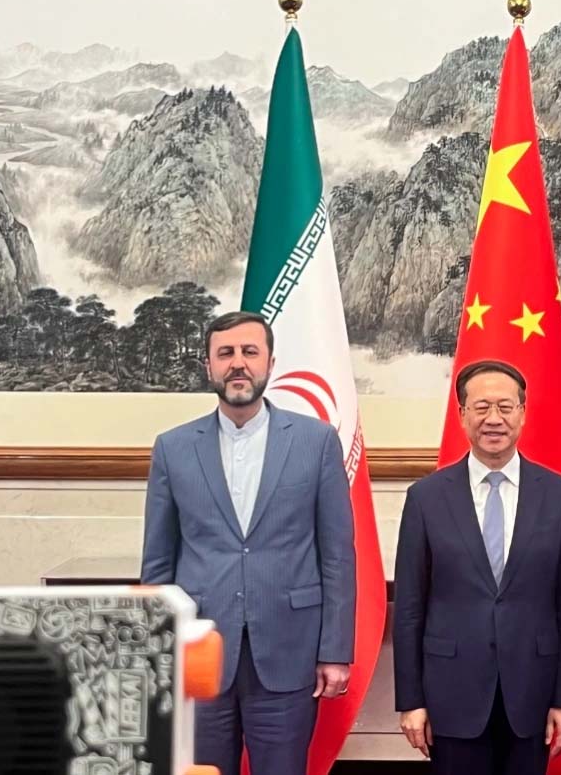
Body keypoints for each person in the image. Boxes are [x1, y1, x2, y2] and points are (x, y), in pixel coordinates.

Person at [141, 310, 356, 775]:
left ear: (270, 363)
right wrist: (157, 648)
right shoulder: (173, 448)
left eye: (249, 352)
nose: (238, 363)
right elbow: (157, 561)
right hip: (199, 652)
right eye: (225, 353)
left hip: (289, 652)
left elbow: (337, 556)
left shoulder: (317, 442)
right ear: (209, 366)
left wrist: (335, 651)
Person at [393, 359, 561, 775]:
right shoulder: (426, 498)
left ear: (523, 413)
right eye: (481, 407)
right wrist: (410, 701)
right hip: (450, 694)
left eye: (505, 407)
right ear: (462, 415)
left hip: (533, 694)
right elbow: (409, 609)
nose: (494, 419)